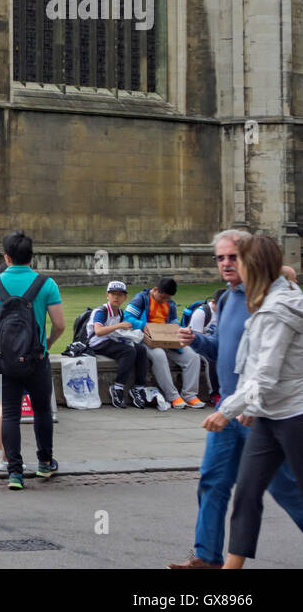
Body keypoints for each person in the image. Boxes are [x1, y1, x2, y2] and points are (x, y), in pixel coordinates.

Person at [169, 231, 303, 568]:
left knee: (287, 489)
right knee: (214, 481)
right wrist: (197, 341)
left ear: (249, 261)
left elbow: (266, 369)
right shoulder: (229, 299)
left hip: (261, 410)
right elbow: (223, 351)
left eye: (233, 257)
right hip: (232, 408)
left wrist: (245, 406)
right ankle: (207, 558)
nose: (227, 264)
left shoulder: (264, 299)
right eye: (220, 258)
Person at [0, 231, 64, 490]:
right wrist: (45, 345)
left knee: (11, 415)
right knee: (41, 411)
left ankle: (15, 472)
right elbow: (59, 324)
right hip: (37, 359)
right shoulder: (46, 284)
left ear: (6, 256)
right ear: (31, 256)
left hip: (6, 360)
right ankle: (45, 462)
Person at [124, 277, 205, 409]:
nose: (164, 301)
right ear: (155, 290)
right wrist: (142, 325)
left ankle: (190, 395)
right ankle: (172, 396)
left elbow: (174, 322)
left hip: (167, 339)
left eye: (167, 298)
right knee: (159, 355)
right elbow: (127, 318)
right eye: (162, 298)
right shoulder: (141, 299)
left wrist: (177, 330)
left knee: (193, 357)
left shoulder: (170, 303)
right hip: (147, 340)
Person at [87, 281, 150, 409]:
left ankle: (138, 387)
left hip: (111, 340)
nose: (116, 297)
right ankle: (117, 388)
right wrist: (120, 325)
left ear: (125, 298)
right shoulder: (102, 311)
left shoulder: (120, 312)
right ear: (107, 296)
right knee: (128, 351)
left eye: (120, 295)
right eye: (113, 294)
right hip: (97, 343)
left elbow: (118, 332)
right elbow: (98, 332)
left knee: (141, 350)